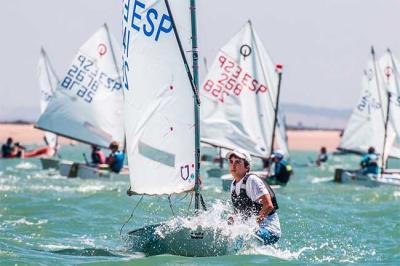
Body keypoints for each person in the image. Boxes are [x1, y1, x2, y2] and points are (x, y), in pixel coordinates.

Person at [227, 148, 281, 245]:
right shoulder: (233, 185)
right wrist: (229, 222)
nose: (233, 165)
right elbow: (238, 213)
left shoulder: (252, 180)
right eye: (231, 162)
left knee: (241, 235)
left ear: (247, 167)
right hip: (254, 230)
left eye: (238, 162)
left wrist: (251, 225)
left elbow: (268, 206)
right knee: (229, 233)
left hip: (269, 231)